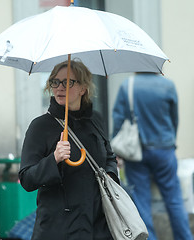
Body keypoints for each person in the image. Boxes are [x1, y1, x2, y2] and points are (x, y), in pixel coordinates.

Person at [19, 60, 119, 240]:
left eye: (68, 82)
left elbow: (110, 158)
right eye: (55, 82)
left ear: (83, 88)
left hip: (97, 226)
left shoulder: (95, 121)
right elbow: (26, 178)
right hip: (59, 229)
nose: (59, 87)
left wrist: (110, 177)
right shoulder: (40, 126)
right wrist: (54, 159)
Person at [112, 72, 192, 240]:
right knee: (174, 199)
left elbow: (118, 119)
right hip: (164, 150)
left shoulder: (128, 85)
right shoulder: (168, 85)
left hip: (137, 152)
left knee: (141, 202)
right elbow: (174, 118)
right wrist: (169, 141)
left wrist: (116, 151)